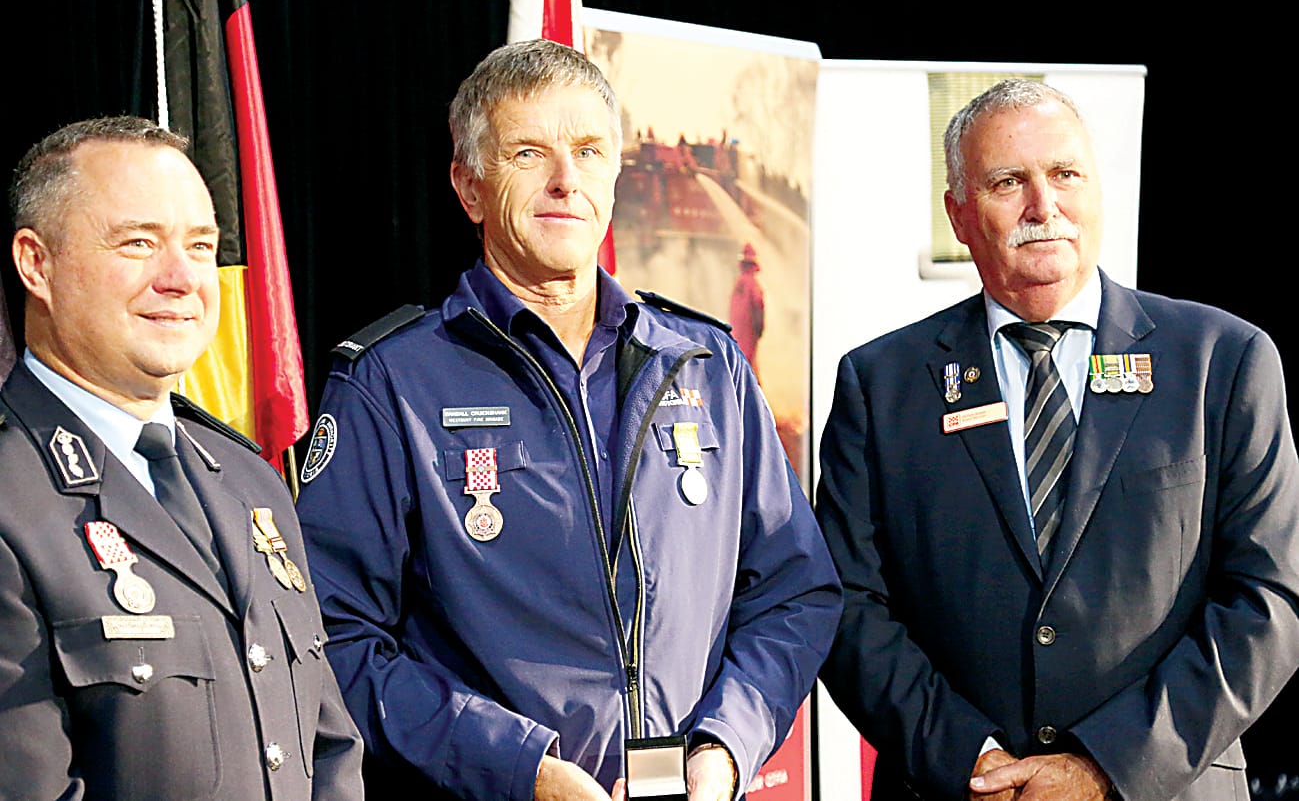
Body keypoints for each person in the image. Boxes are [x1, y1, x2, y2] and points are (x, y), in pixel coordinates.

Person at [294, 39, 841, 801]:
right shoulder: (391, 381)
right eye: (527, 153)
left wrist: (724, 748)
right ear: (469, 186)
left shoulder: (703, 362)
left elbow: (793, 592)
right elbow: (332, 638)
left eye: (589, 151)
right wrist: (520, 770)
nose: (565, 181)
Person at [816, 79, 1299, 801]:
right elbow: (848, 603)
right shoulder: (880, 383)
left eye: (1064, 174)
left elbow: (1266, 601)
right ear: (957, 214)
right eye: (1008, 182)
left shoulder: (1221, 361)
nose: (1043, 207)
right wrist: (970, 760)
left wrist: (1104, 765)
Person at [0, 117, 364, 800]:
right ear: (36, 263)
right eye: (139, 243)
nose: (181, 278)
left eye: (201, 246)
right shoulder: (10, 497)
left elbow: (329, 748)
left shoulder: (252, 480)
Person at [728, 242, 765, 371]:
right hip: (749, 329)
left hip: (737, 330)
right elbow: (758, 307)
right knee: (748, 361)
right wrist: (760, 327)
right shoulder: (753, 284)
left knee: (740, 359)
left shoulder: (738, 282)